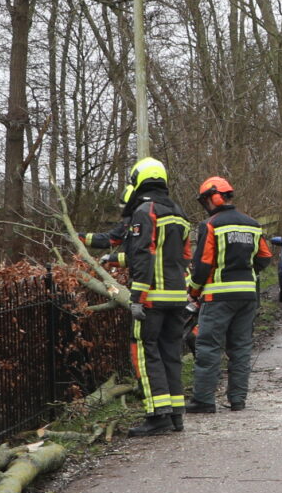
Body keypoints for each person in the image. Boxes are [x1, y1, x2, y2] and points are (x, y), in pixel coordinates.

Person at [87, 158, 193, 436]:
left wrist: (137, 296)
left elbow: (143, 254)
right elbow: (183, 257)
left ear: (138, 179)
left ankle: (157, 416)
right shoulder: (179, 213)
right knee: (171, 353)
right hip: (176, 296)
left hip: (151, 298)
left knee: (145, 354)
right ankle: (175, 415)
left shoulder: (145, 211)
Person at [187, 176, 272, 413]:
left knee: (208, 347)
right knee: (241, 348)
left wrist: (193, 291)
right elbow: (265, 257)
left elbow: (203, 264)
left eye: (205, 200)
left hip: (218, 296)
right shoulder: (252, 224)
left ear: (213, 197)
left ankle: (203, 400)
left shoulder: (211, 225)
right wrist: (247, 272)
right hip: (247, 296)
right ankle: (237, 400)